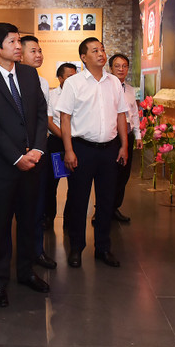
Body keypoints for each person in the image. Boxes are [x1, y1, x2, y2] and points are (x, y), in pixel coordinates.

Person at [0, 23, 50, 308]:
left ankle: (26, 272)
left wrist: (37, 149)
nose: (19, 47)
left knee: (29, 221)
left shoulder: (29, 74)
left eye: (19, 41)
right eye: (12, 42)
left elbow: (41, 113)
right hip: (1, 167)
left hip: (33, 162)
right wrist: (18, 157)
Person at [57, 37, 128, 268]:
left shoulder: (114, 82)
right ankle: (76, 248)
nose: (101, 53)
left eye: (102, 49)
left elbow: (121, 115)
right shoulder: (74, 83)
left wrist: (124, 145)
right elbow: (65, 118)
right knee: (78, 200)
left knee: (106, 201)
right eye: (95, 50)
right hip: (82, 149)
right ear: (83, 57)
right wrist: (68, 150)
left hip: (109, 150)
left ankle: (103, 248)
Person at [19, 35, 56, 270]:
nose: (39, 55)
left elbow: (44, 118)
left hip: (38, 152)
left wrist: (38, 148)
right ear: (19, 54)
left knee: (37, 205)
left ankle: (37, 251)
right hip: (13, 154)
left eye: (40, 50)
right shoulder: (6, 81)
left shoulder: (41, 82)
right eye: (33, 51)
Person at [44, 63, 78, 230]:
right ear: (60, 78)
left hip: (76, 142)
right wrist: (65, 138)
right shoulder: (52, 95)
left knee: (76, 184)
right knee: (51, 183)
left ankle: (70, 219)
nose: (74, 80)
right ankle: (48, 217)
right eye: (69, 77)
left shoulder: (80, 93)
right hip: (57, 142)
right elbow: (49, 121)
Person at [109, 54, 142, 222]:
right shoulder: (105, 88)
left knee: (124, 174)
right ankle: (101, 210)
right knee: (109, 174)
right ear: (110, 68)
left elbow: (134, 114)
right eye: (117, 66)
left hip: (127, 135)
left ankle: (114, 208)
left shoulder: (129, 90)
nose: (121, 69)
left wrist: (137, 135)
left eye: (124, 66)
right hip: (111, 136)